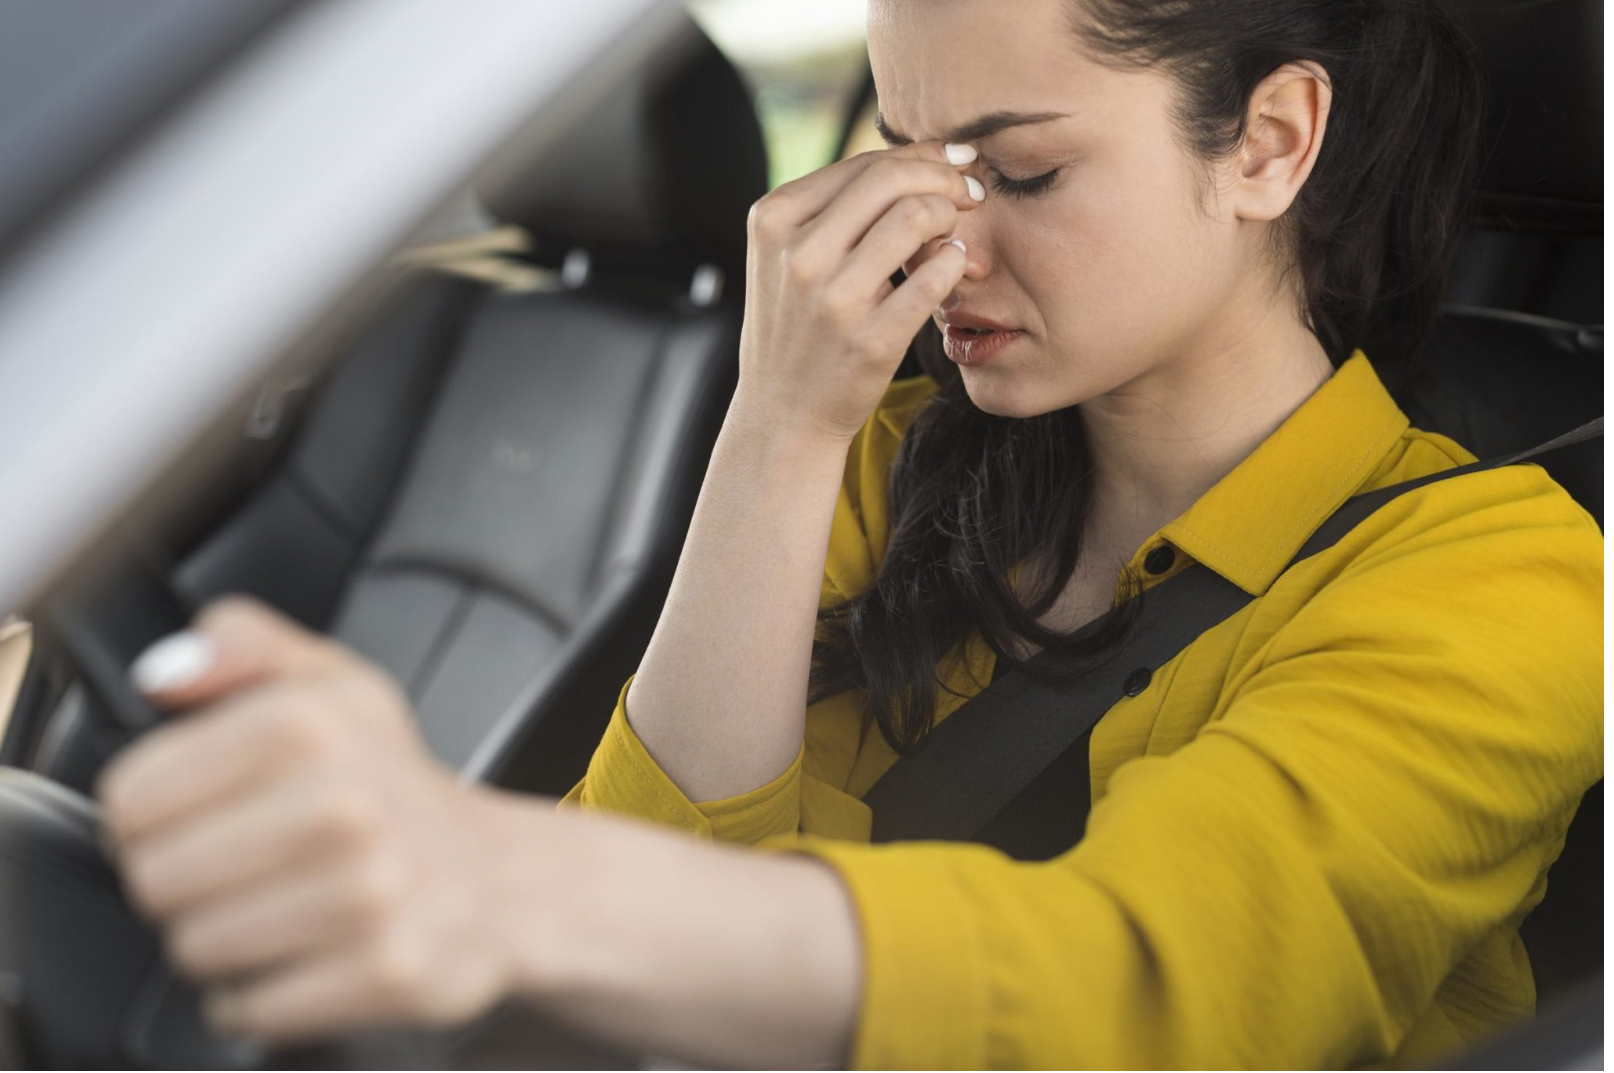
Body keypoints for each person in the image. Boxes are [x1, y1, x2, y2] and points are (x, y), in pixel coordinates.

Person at [95, 0, 1603, 1067]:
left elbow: (1151, 1000)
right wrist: (779, 423)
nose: (940, 238)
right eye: (910, 164)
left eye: (1020, 173)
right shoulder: (893, 460)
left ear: (1269, 143)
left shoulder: (1507, 581)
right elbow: (651, 956)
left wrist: (492, 874)